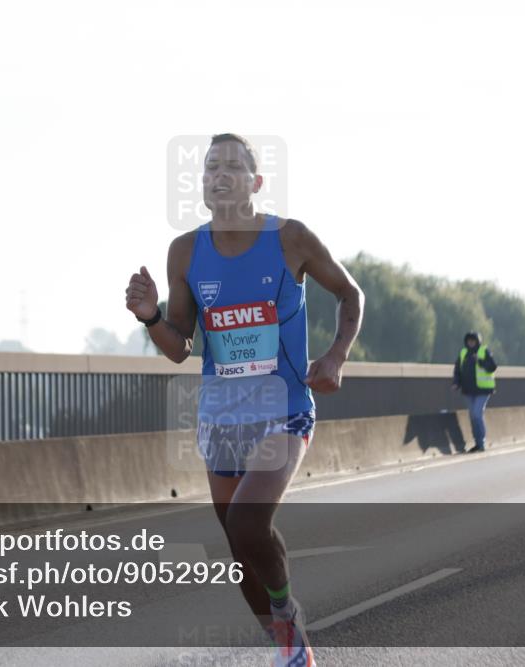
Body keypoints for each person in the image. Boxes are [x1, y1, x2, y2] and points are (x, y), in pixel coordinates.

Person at [125, 134, 363, 667]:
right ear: (203, 185)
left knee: (247, 525)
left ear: (255, 183)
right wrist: (150, 317)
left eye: (232, 166)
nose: (219, 174)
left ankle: (287, 612)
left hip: (284, 410)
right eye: (211, 167)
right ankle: (287, 646)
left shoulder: (290, 239)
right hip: (221, 419)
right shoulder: (185, 252)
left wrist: (336, 356)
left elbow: (350, 292)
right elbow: (180, 347)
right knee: (238, 553)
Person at [451, 331, 498, 453]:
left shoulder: (484, 351)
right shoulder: (463, 353)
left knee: (477, 414)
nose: (471, 343)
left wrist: (480, 361)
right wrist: (456, 383)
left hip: (483, 390)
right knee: (473, 417)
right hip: (469, 391)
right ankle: (477, 443)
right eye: (469, 341)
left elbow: (493, 366)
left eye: (473, 341)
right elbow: (457, 370)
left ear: (478, 341)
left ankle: (481, 442)